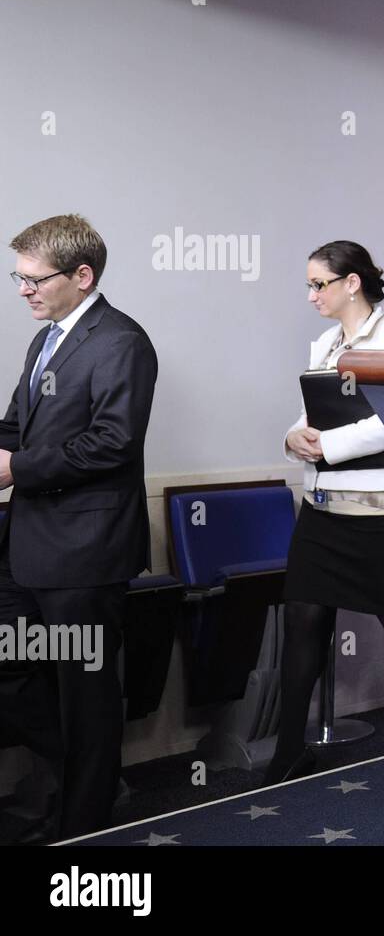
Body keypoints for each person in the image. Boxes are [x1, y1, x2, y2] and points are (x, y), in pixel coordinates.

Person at [263, 240, 384, 786]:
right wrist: (293, 437)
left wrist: (327, 444)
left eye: (317, 284)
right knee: (303, 616)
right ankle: (289, 750)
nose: (310, 296)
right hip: (323, 506)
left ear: (351, 283)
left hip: (380, 507)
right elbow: (308, 413)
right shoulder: (324, 342)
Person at [0, 214, 158, 839]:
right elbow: (17, 425)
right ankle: (83, 779)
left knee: (87, 701)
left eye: (34, 279)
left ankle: (83, 830)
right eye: (18, 277)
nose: (23, 291)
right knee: (15, 668)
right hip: (26, 547)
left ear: (82, 275)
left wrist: (18, 470)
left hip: (86, 553)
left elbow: (114, 442)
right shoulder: (46, 340)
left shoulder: (122, 341)